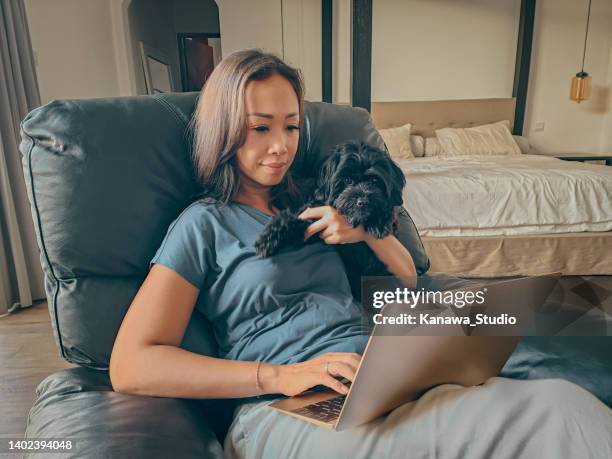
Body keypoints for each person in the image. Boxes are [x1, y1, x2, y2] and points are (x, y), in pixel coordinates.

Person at [109, 50, 612, 458]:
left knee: (561, 406)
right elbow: (131, 365)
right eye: (261, 128)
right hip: (287, 406)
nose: (281, 146)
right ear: (224, 128)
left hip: (380, 380)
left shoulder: (319, 199)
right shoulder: (204, 224)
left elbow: (409, 279)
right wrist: (282, 376)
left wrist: (365, 231)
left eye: (291, 126)